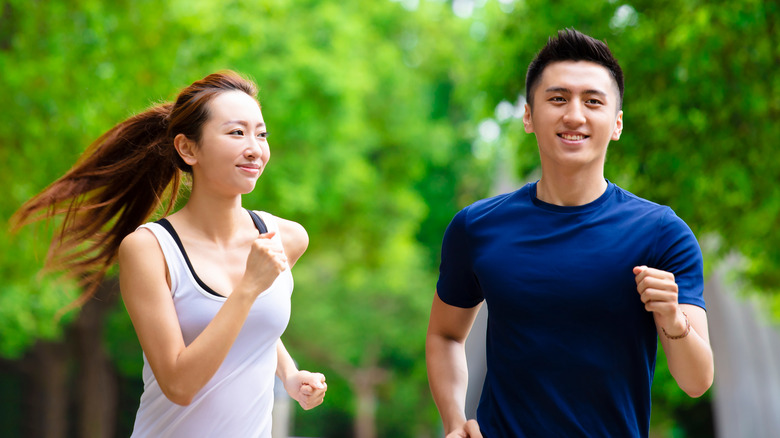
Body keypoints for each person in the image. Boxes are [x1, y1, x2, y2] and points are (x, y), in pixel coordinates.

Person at [426, 29, 714, 437]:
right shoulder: (477, 227)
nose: (575, 115)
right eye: (558, 98)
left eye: (593, 101)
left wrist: (671, 317)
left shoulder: (662, 233)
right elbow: (445, 334)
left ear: (615, 124)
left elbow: (696, 380)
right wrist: (455, 421)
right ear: (529, 115)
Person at [12, 71, 327, 437]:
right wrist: (247, 287)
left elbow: (255, 324)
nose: (255, 147)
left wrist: (289, 374)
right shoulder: (150, 250)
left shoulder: (286, 238)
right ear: (188, 148)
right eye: (237, 133)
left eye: (261, 133)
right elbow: (179, 385)